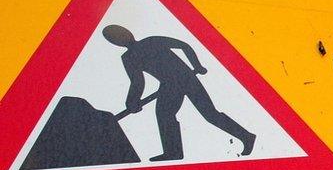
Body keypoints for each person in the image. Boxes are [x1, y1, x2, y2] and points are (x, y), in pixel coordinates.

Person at [102, 24, 256, 162]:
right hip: (171, 84)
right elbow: (137, 81)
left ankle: (246, 137)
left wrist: (197, 65)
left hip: (184, 78)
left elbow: (183, 45)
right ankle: (173, 152)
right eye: (115, 38)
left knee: (208, 114)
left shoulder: (151, 41)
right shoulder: (129, 56)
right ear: (114, 43)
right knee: (166, 116)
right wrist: (132, 101)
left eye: (120, 34)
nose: (120, 38)